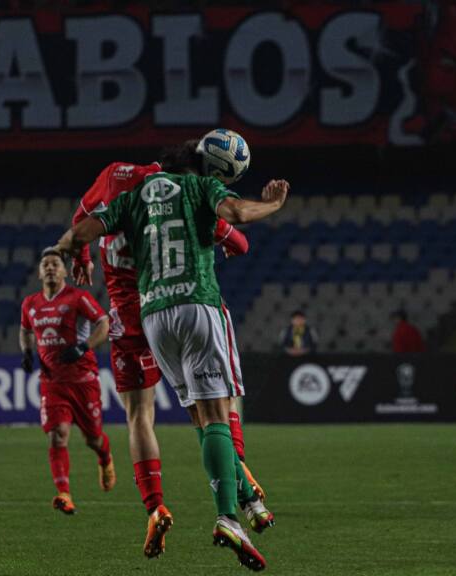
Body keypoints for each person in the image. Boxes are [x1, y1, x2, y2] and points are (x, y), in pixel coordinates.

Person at [56, 159, 289, 571]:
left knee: (142, 419)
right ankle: (237, 503)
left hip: (142, 318)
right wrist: (266, 208)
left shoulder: (124, 200)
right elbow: (238, 234)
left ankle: (156, 507)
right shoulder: (189, 194)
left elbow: (77, 231)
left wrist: (80, 255)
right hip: (193, 302)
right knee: (218, 407)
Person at [19, 248, 113, 515]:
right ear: (39, 272)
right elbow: (25, 330)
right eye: (45, 264)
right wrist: (27, 352)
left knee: (93, 439)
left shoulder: (78, 298)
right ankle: (64, 493)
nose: (50, 268)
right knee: (57, 436)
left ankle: (105, 458)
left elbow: (104, 323)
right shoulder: (30, 303)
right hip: (53, 382)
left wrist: (84, 347)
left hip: (83, 380)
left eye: (55, 264)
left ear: (64, 271)